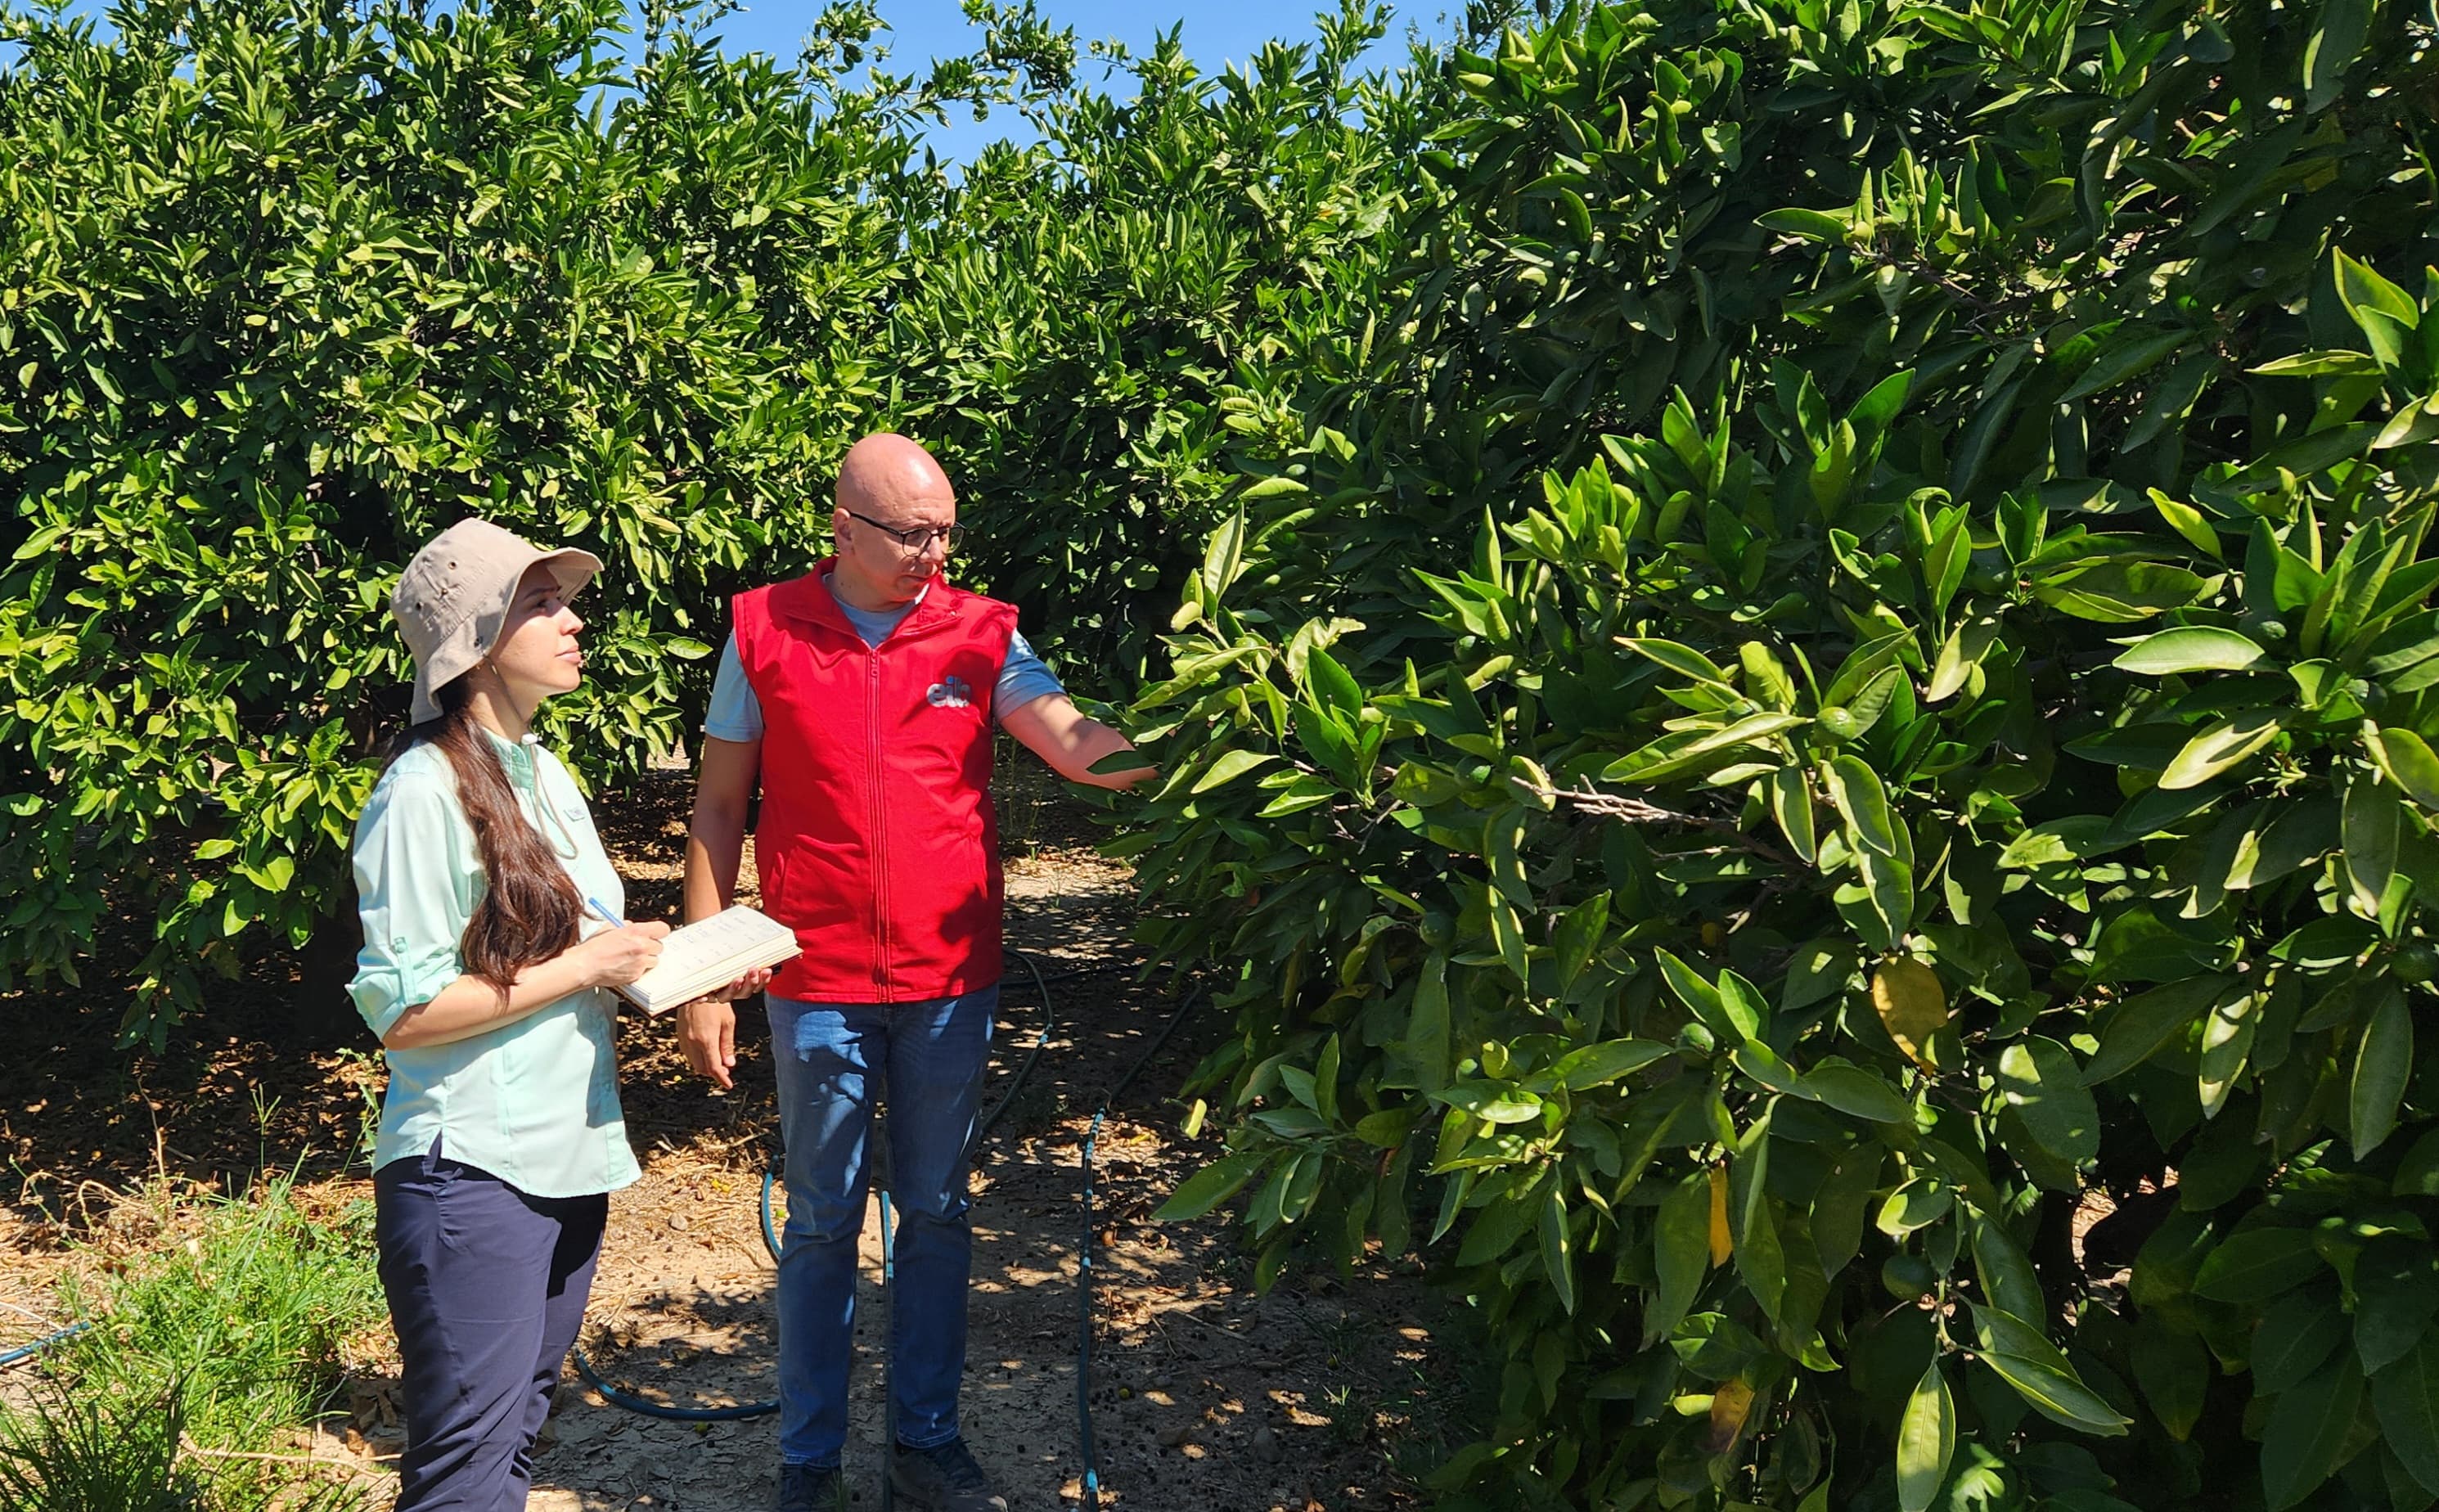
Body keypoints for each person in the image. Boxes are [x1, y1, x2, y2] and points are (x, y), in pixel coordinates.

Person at [677, 433, 1154, 1512]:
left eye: (945, 530)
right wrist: (701, 978)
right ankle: (810, 1460)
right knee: (818, 1224)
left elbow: (1079, 746)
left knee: (936, 1212)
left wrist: (1233, 738)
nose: (933, 553)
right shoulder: (763, 631)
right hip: (815, 981)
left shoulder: (986, 633)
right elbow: (716, 811)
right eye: (910, 533)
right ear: (843, 526)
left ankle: (924, 1442)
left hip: (950, 981)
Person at [349, 520, 674, 1512]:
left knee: (513, 1437)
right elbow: (402, 1013)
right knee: (465, 1473)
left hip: (564, 1156)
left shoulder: (543, 774)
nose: (573, 623)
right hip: (473, 1174)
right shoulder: (419, 792)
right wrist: (587, 965)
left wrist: (678, 970)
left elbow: (588, 951)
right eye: (541, 604)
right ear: (479, 643)